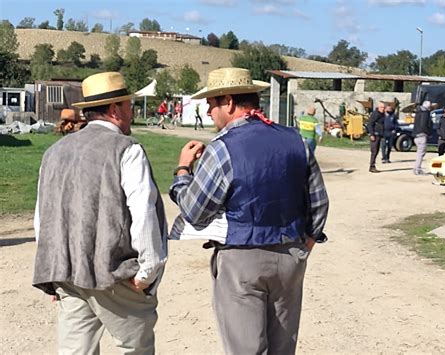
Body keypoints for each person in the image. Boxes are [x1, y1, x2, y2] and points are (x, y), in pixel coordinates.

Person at [169, 67, 329, 354]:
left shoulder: (223, 148)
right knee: (282, 348)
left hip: (242, 258)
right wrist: (304, 244)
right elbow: (318, 203)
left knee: (246, 349)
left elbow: (195, 211)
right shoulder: (296, 140)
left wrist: (183, 172)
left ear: (228, 102)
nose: (208, 112)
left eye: (211, 104)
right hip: (290, 254)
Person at [32, 72, 168, 354]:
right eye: (128, 105)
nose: (131, 111)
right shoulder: (127, 150)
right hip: (116, 275)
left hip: (68, 273)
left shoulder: (54, 152)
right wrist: (147, 270)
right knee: (136, 349)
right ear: (115, 109)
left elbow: (42, 218)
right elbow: (142, 211)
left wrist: (54, 270)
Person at [413, 100, 433, 175]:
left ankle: (416, 168)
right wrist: (429, 132)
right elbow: (424, 124)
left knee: (419, 153)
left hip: (416, 135)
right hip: (422, 135)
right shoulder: (425, 113)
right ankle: (417, 169)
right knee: (421, 153)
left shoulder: (418, 112)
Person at [367, 101, 386, 172]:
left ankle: (373, 165)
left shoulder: (383, 114)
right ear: (378, 107)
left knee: (376, 151)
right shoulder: (375, 114)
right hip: (374, 135)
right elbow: (370, 124)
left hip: (380, 135)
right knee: (374, 151)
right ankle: (372, 166)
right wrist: (371, 134)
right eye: (381, 107)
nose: (383, 109)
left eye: (384, 108)